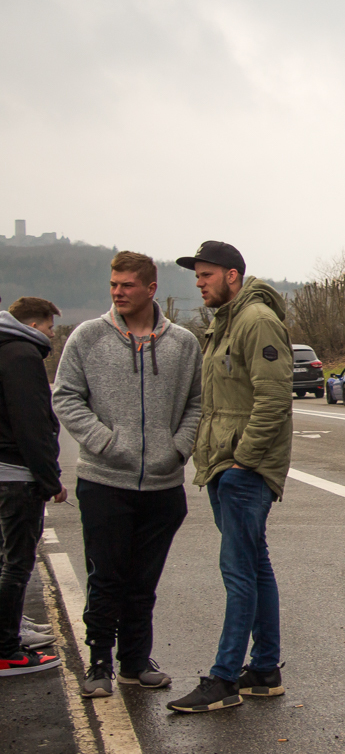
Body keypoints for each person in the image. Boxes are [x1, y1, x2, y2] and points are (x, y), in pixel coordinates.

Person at [53, 252, 202, 697]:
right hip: (104, 482)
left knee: (143, 581)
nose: (117, 292)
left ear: (151, 289)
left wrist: (177, 449)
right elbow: (66, 398)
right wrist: (105, 442)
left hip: (162, 485)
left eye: (126, 285)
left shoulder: (183, 343)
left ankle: (136, 660)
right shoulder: (87, 337)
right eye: (113, 284)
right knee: (107, 577)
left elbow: (197, 402)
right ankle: (99, 662)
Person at [167, 241, 292, 713]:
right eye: (197, 275)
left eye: (206, 275)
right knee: (255, 566)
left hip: (243, 469)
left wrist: (244, 460)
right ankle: (263, 670)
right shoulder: (226, 322)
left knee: (238, 572)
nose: (199, 282)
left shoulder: (255, 321)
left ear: (233, 275)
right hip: (225, 463)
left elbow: (274, 398)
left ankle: (223, 680)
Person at [0, 297, 66, 677]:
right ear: (33, 324)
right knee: (17, 564)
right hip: (16, 474)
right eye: (48, 327)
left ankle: (9, 631)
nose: (52, 335)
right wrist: (49, 478)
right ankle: (8, 649)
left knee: (5, 560)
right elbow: (32, 422)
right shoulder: (22, 356)